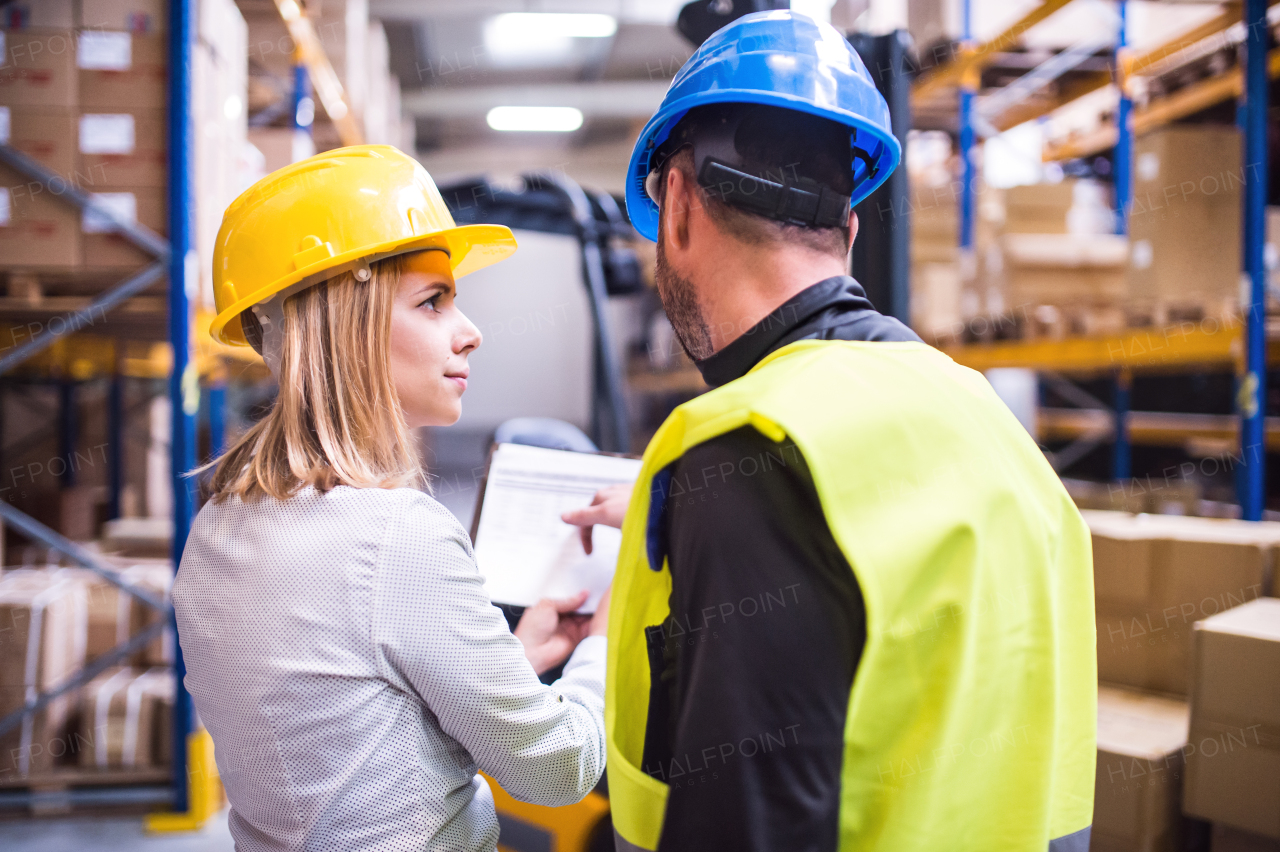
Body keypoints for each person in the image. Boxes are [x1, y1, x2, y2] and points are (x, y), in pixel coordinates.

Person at [562, 11, 1096, 852]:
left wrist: (718, 512)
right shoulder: (983, 417)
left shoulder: (747, 453)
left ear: (679, 206)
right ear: (845, 229)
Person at [173, 145, 609, 852]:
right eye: (433, 301)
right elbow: (558, 770)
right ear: (349, 326)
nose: (471, 332)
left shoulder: (219, 525)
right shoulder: (397, 535)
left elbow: (350, 736)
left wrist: (509, 665)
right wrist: (604, 647)